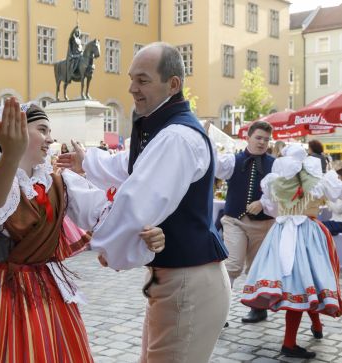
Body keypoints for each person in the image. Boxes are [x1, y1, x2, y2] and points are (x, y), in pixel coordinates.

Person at [0, 99, 164, 363]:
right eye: (43, 130)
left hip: (45, 292)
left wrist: (145, 233)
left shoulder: (60, 182)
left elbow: (105, 215)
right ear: (15, 131)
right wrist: (11, 155)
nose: (50, 139)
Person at [58, 42, 230, 363]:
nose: (131, 88)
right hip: (174, 281)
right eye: (131, 78)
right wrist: (87, 163)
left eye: (143, 80)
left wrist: (72, 195)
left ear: (173, 84)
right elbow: (131, 163)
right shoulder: (166, 130)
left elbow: (134, 207)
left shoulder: (176, 137)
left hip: (187, 285)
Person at [241, 144, 342, 358]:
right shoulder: (320, 181)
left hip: (280, 233)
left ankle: (316, 325)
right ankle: (290, 343)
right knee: (305, 283)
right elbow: (336, 195)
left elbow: (271, 210)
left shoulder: (274, 182)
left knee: (301, 283)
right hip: (308, 233)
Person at [211, 120, 276, 324]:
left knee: (258, 267)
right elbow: (215, 167)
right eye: (258, 138)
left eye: (266, 139)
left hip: (264, 224)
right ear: (247, 138)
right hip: (234, 221)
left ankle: (259, 308)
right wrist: (207, 141)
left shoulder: (275, 164)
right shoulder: (233, 160)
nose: (262, 142)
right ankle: (218, 312)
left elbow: (281, 193)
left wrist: (263, 203)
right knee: (232, 264)